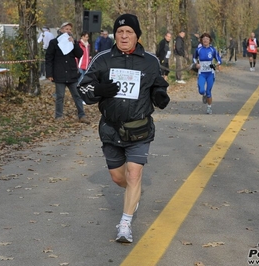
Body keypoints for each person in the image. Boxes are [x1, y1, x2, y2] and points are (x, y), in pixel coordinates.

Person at [78, 13, 170, 243]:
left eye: (129, 32)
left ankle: (125, 224)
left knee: (134, 172)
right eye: (120, 32)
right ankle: (132, 193)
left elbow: (158, 84)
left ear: (137, 36)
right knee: (119, 177)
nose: (124, 36)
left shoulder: (150, 61)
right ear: (115, 35)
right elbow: (83, 88)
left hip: (139, 128)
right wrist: (99, 90)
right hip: (110, 129)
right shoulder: (103, 59)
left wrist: (160, 95)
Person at [45, 22, 89, 123]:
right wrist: (49, 74)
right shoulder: (54, 42)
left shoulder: (73, 42)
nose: (68, 31)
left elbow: (79, 54)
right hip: (59, 74)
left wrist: (74, 44)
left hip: (72, 74)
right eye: (66, 29)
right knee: (60, 96)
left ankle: (82, 115)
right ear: (61, 30)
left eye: (70, 29)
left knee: (77, 95)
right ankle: (58, 116)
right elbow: (49, 58)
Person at [193, 32, 222, 115]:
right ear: (201, 40)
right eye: (204, 39)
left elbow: (219, 59)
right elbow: (194, 58)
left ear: (210, 41)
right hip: (201, 73)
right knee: (201, 90)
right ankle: (203, 94)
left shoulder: (213, 50)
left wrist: (217, 64)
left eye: (207, 39)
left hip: (210, 73)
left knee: (209, 91)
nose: (205, 40)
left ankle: (209, 107)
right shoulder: (198, 50)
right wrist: (196, 64)